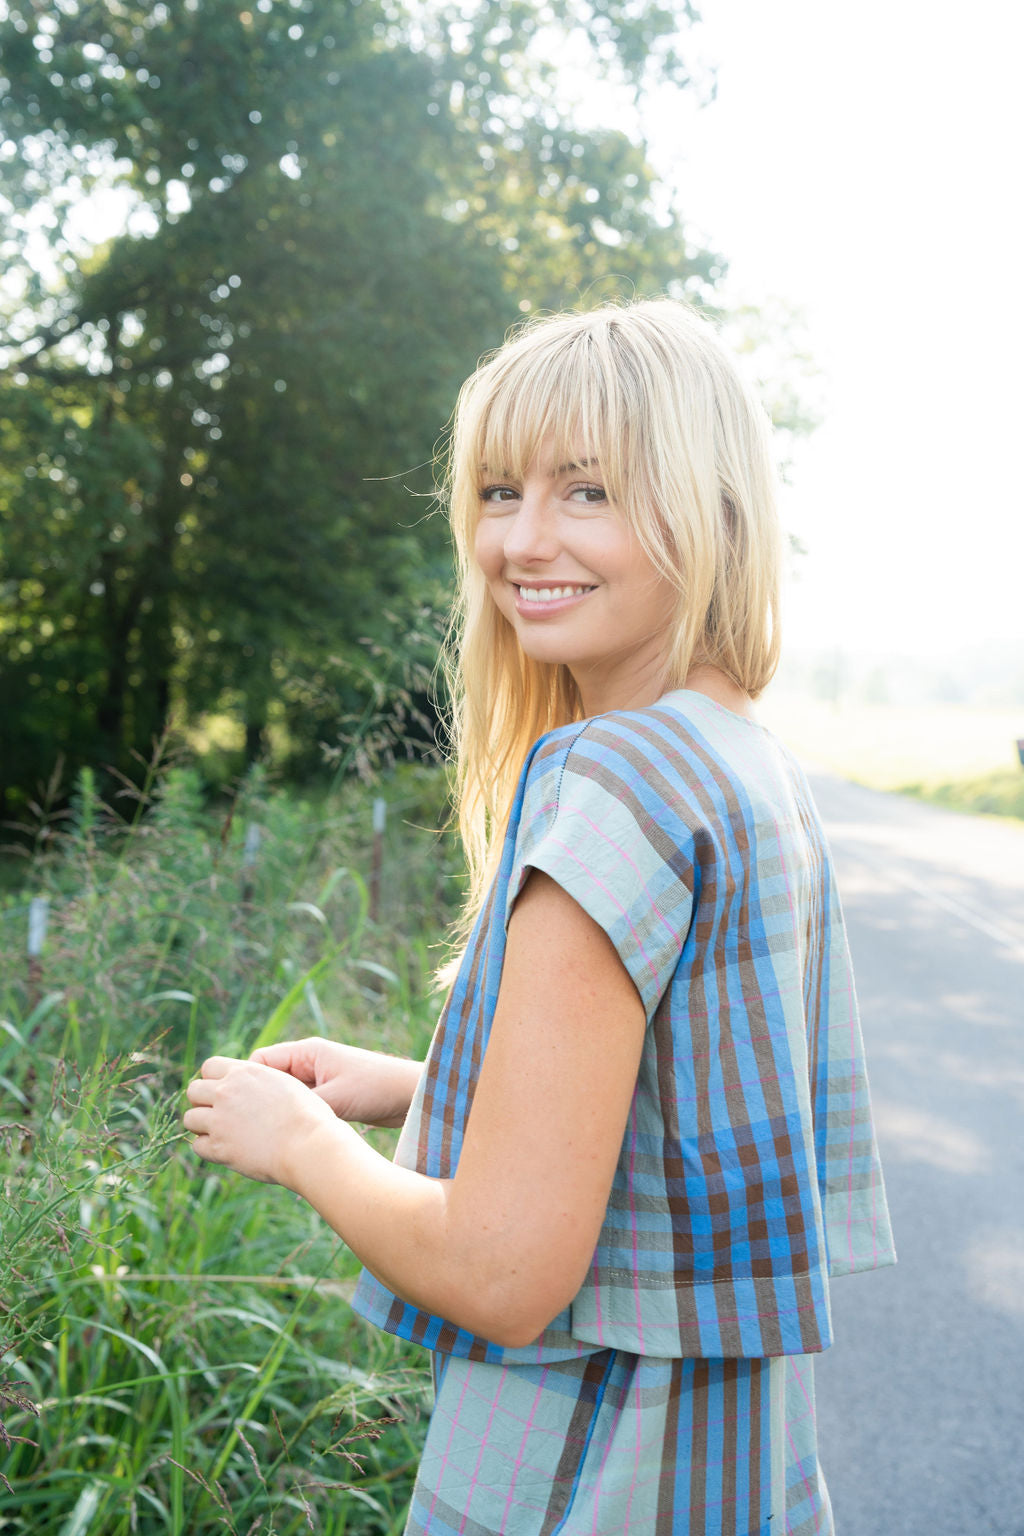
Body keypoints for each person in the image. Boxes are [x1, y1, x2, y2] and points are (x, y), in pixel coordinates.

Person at [184, 299, 896, 1535]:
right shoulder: (741, 763)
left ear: (711, 513)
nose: (522, 539)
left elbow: (504, 1273)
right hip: (722, 1472)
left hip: (580, 1475)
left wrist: (295, 1139)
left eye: (588, 491)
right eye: (500, 491)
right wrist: (421, 1082)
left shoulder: (613, 782)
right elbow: (675, 1108)